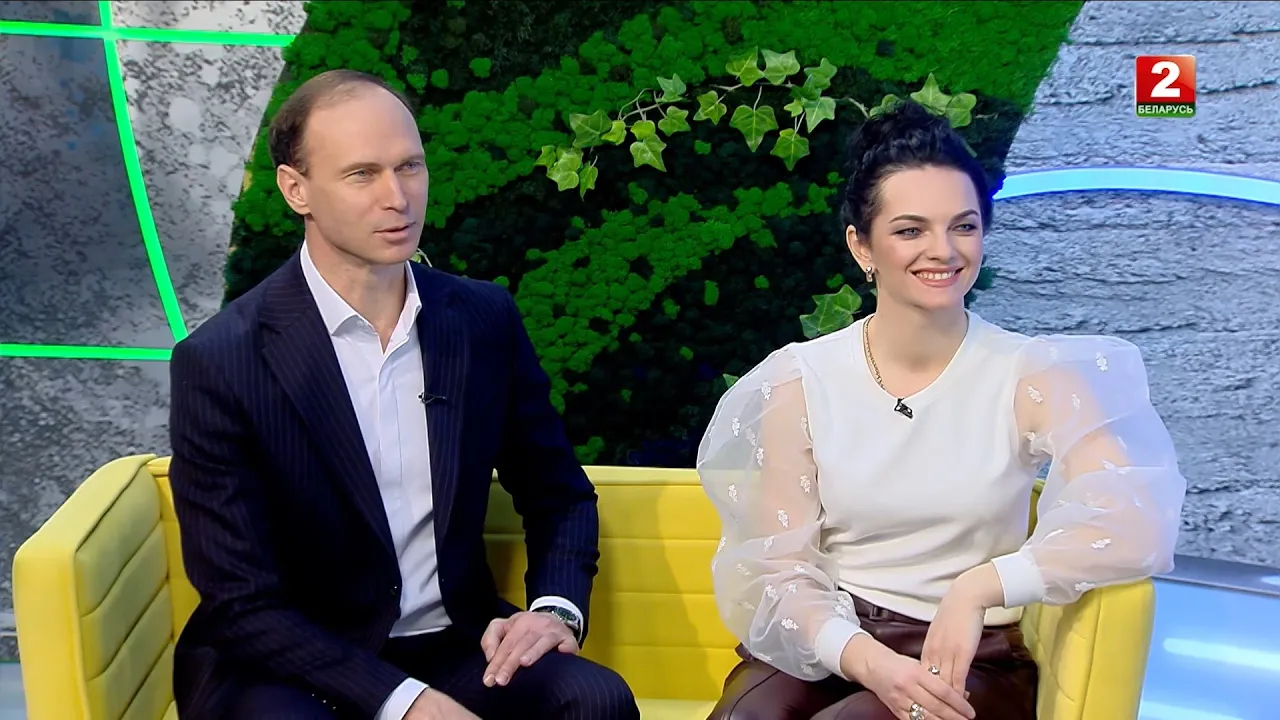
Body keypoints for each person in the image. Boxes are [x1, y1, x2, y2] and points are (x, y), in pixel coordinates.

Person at [167, 69, 639, 720]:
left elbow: (558, 495)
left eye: (409, 167)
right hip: (287, 662)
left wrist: (554, 611)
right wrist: (404, 703)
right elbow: (240, 600)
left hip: (454, 640)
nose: (398, 197)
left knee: (596, 702)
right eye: (362, 174)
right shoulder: (222, 359)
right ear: (296, 189)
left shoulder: (481, 320)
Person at [697, 100, 1187, 720]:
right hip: (832, 634)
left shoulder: (1032, 374)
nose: (943, 250)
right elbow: (777, 569)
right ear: (861, 246)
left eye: (964, 226)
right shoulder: (801, 380)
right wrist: (861, 655)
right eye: (910, 230)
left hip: (971, 651)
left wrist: (980, 588)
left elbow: (1135, 517)